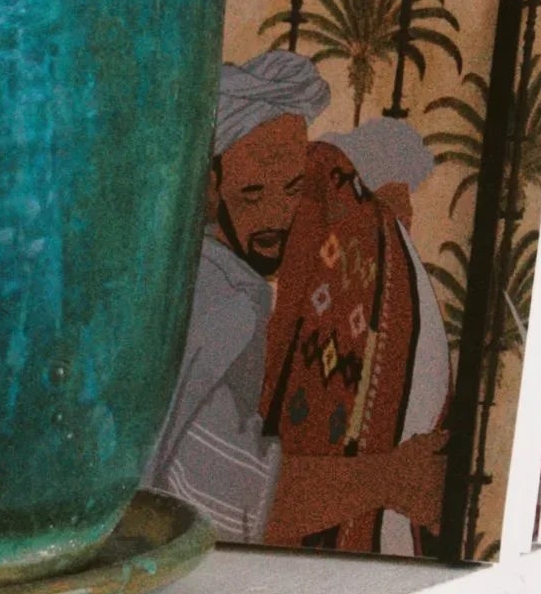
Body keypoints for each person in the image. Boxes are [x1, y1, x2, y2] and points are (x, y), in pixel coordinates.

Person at [143, 52, 450, 551]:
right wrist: (392, 479)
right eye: (252, 192)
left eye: (291, 190)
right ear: (209, 186)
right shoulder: (214, 296)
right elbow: (224, 499)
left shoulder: (217, 280)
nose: (276, 217)